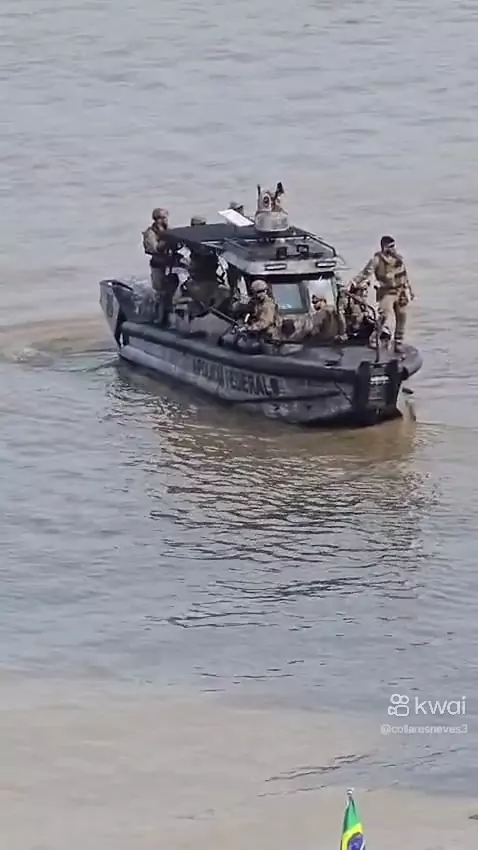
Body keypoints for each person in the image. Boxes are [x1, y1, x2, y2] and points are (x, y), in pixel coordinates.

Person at [349, 235, 415, 352]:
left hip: (400, 291)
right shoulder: (377, 260)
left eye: (393, 246)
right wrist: (354, 282)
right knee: (384, 315)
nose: (393, 249)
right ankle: (374, 338)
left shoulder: (398, 259)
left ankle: (398, 341)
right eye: (390, 246)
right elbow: (365, 273)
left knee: (402, 316)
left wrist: (410, 290)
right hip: (387, 292)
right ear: (384, 247)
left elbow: (404, 276)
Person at [142, 208, 171, 320]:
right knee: (160, 292)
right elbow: (152, 248)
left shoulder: (169, 230)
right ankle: (159, 317)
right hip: (158, 265)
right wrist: (165, 241)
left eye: (164, 218)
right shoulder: (150, 233)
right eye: (159, 218)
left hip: (171, 262)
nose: (162, 221)